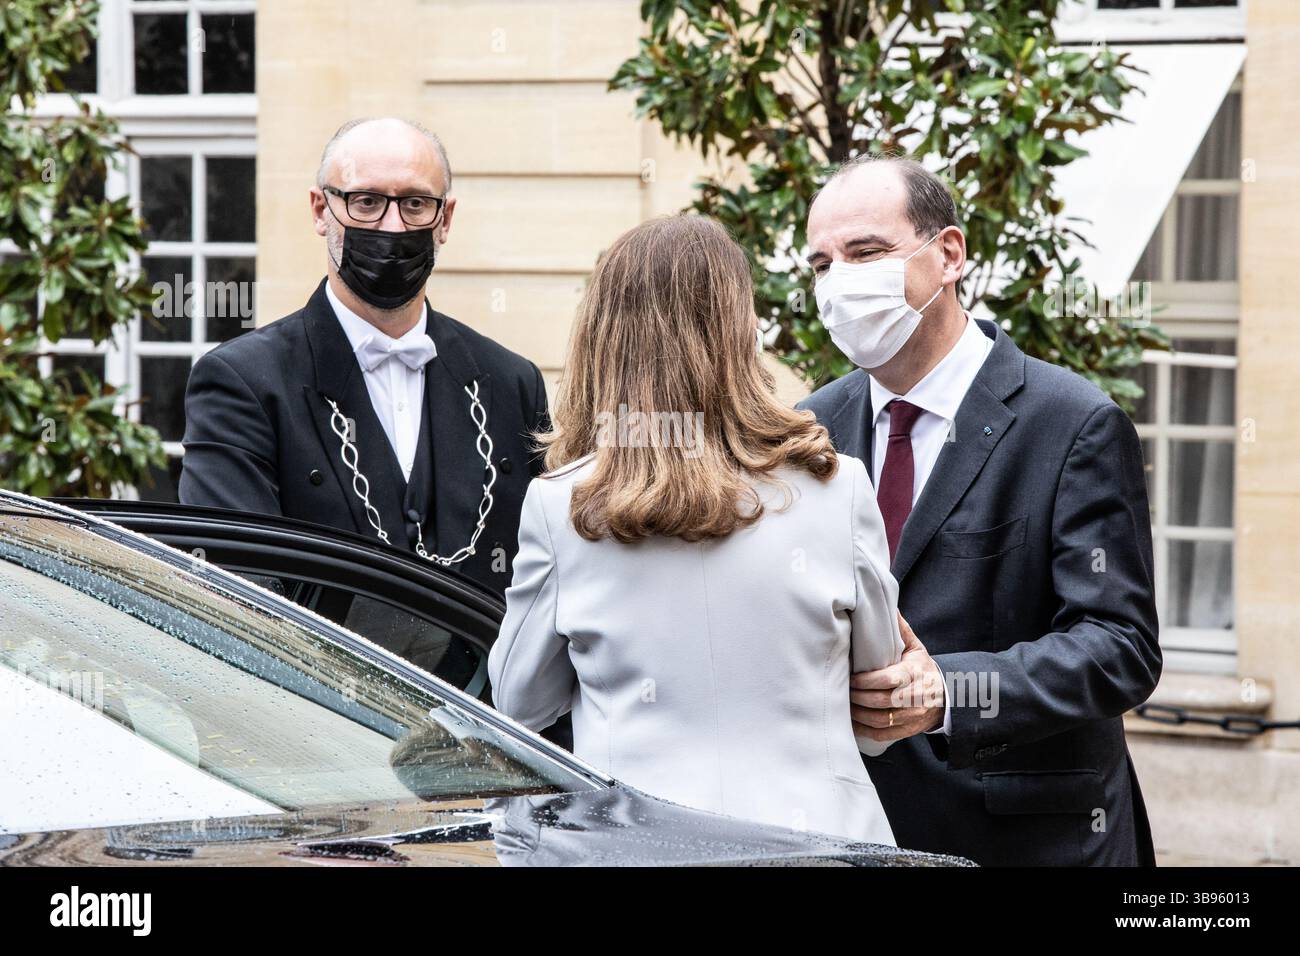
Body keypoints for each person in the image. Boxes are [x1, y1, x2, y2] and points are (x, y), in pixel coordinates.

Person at [487, 215, 905, 844]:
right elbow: (877, 701)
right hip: (820, 843)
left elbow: (519, 702)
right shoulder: (837, 486)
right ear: (740, 329)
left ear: (602, 335)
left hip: (633, 847)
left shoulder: (561, 505)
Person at [798, 155, 1161, 866]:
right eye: (820, 264)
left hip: (1031, 841)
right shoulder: (810, 427)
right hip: (855, 831)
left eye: (866, 252)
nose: (840, 281)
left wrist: (949, 692)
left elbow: (1121, 646)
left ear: (949, 254)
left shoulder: (1072, 423)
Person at [178, 118, 549, 598]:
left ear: (446, 219)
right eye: (366, 202)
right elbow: (235, 588)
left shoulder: (511, 382)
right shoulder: (242, 383)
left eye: (415, 204)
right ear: (320, 210)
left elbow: (541, 579)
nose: (392, 226)